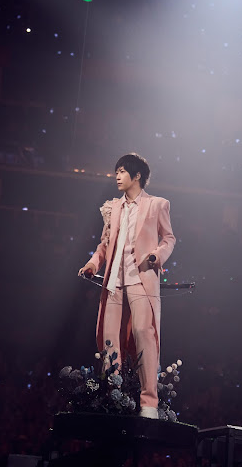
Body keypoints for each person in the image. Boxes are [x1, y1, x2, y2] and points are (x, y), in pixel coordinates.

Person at [78, 153, 176, 419]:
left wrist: (156, 255)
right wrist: (92, 264)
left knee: (144, 332)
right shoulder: (112, 208)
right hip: (114, 281)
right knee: (110, 340)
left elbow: (169, 238)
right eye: (116, 172)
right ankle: (113, 397)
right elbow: (104, 245)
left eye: (122, 171)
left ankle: (149, 403)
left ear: (137, 176)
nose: (117, 177)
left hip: (141, 279)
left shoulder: (157, 205)